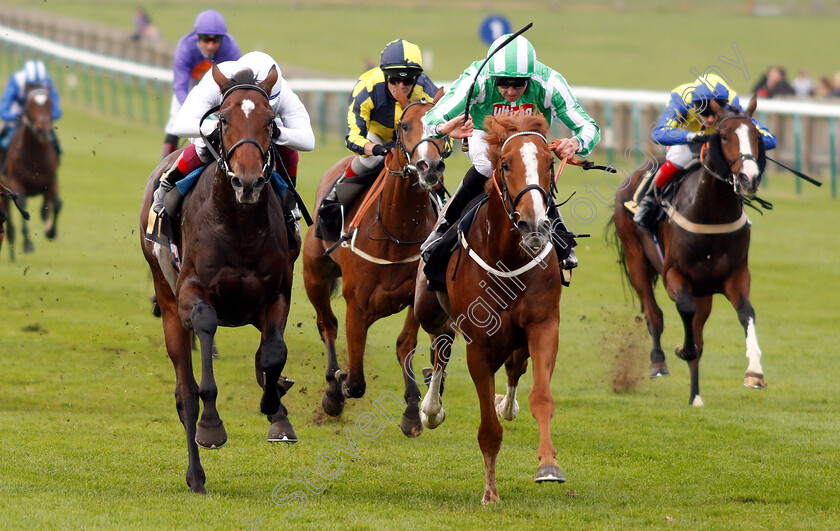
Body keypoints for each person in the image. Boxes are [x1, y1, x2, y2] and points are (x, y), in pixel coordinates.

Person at [421, 34, 600, 271]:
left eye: (519, 83)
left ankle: (560, 237)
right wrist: (443, 128)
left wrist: (576, 143)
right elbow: (431, 117)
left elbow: (589, 127)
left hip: (527, 142)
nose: (510, 90)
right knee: (486, 166)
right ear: (492, 77)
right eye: (503, 83)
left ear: (531, 77)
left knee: (530, 169)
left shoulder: (549, 83)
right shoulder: (478, 78)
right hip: (483, 134)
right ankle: (443, 228)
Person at [148, 51, 315, 237]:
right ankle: (168, 184)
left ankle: (289, 200)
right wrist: (218, 126)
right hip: (219, 121)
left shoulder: (283, 93)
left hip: (258, 127)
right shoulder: (215, 84)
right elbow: (180, 125)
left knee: (288, 150)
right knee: (204, 148)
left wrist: (276, 132)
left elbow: (308, 140)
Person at [315, 38, 442, 241]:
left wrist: (435, 151)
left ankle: (443, 215)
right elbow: (353, 136)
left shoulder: (429, 91)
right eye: (393, 80)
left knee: (433, 169)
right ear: (385, 75)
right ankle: (334, 201)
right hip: (378, 136)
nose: (401, 87)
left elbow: (443, 133)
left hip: (414, 139)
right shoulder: (367, 87)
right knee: (368, 161)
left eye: (408, 80)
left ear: (417, 78)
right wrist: (376, 149)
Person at [627, 74, 777, 232]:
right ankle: (648, 201)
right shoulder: (681, 100)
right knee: (680, 157)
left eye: (715, 113)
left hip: (716, 140)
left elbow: (770, 140)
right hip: (684, 139)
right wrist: (692, 137)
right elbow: (658, 134)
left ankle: (738, 209)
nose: (711, 119)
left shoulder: (732, 102)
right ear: (694, 104)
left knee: (732, 162)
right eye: (705, 113)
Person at [161, 10, 242, 158]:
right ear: (197, 37)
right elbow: (180, 87)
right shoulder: (185, 48)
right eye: (206, 39)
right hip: (190, 90)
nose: (211, 46)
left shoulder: (231, 49)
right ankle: (162, 175)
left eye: (216, 40)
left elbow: (238, 85)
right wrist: (193, 109)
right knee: (174, 125)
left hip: (218, 92)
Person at [0, 59, 62, 172]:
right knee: (3, 140)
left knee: (55, 142)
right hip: (17, 114)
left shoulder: (48, 82)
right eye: (31, 85)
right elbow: (3, 110)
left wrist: (43, 118)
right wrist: (16, 116)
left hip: (40, 118)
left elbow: (57, 111)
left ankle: (54, 163)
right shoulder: (16, 80)